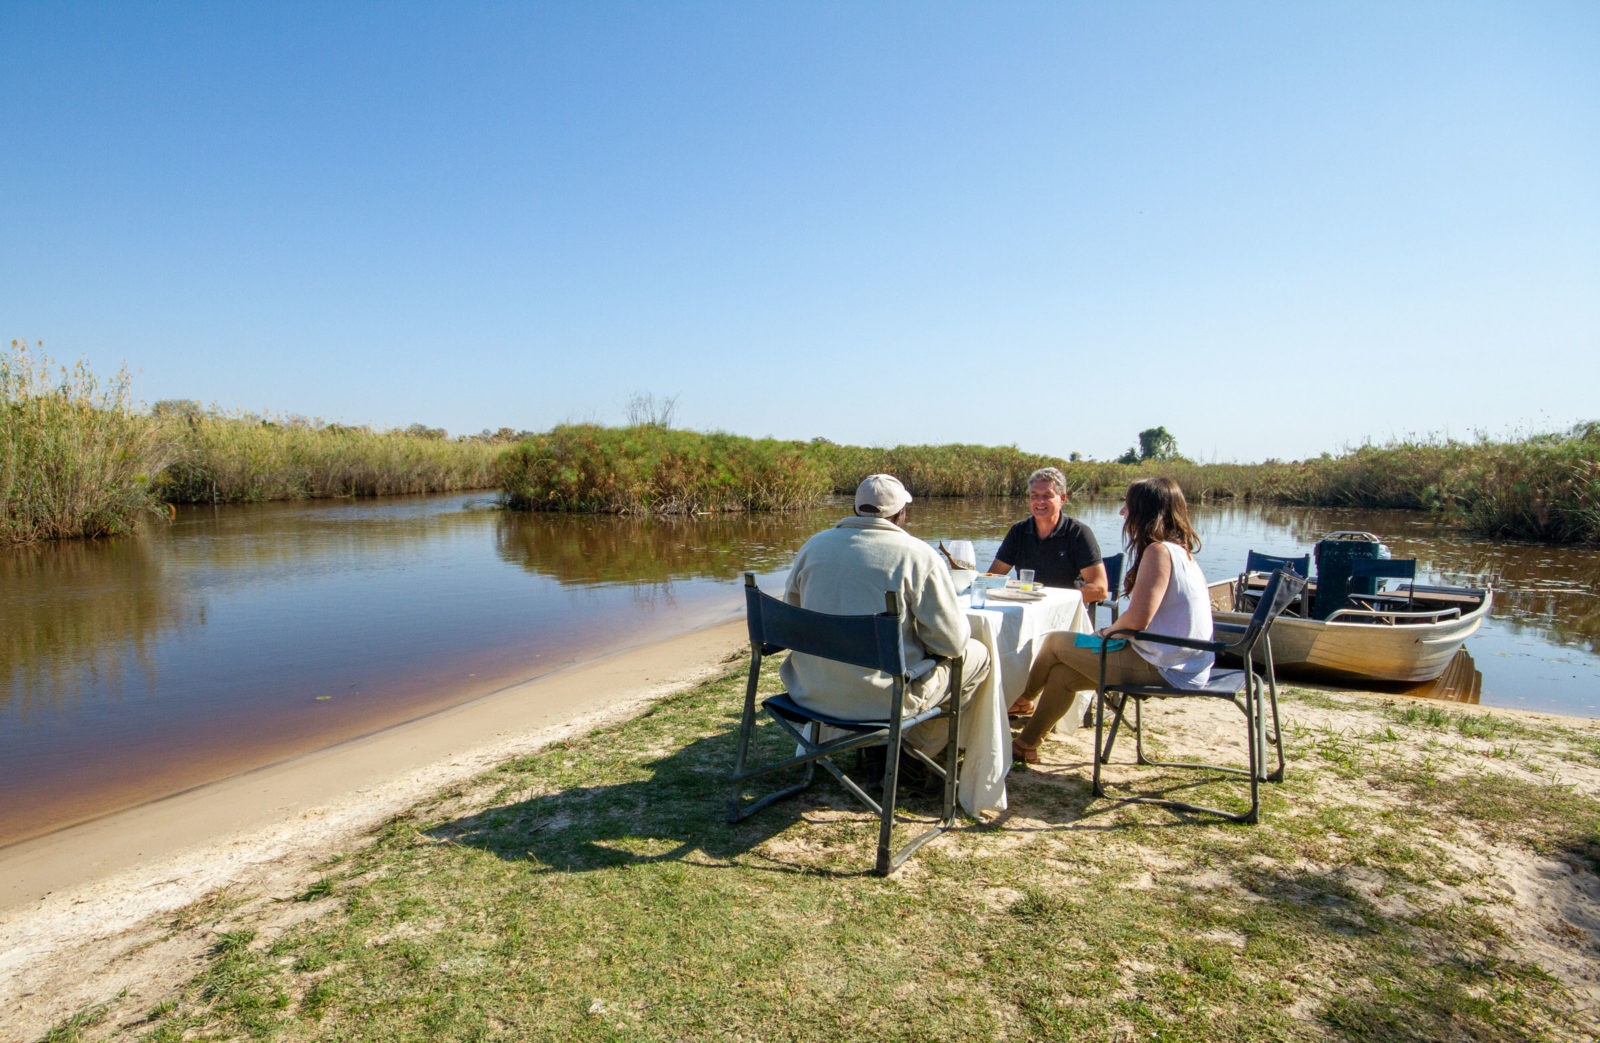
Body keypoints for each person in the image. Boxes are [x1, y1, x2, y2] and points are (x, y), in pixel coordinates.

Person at [782, 474, 990, 756]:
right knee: (977, 655)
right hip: (883, 700)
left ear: (856, 508)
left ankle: (871, 745)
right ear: (901, 513)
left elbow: (791, 621)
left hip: (808, 690)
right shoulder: (918, 555)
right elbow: (951, 644)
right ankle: (914, 752)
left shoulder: (813, 546)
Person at [1009, 476, 1213, 764]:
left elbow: (1137, 620)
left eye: (1127, 507)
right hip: (1180, 660)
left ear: (1145, 512)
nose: (1122, 514)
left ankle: (1019, 701)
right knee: (1062, 676)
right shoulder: (1180, 552)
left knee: (1055, 640)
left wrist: (1104, 633)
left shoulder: (1159, 552)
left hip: (1166, 666)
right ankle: (1026, 744)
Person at [987, 466, 1109, 602]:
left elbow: (1100, 589)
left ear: (1062, 498)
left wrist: (1051, 602)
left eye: (1047, 495)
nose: (1040, 501)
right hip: (1025, 608)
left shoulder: (1078, 533)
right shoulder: (1018, 531)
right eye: (1034, 495)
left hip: (1066, 612)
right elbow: (992, 579)